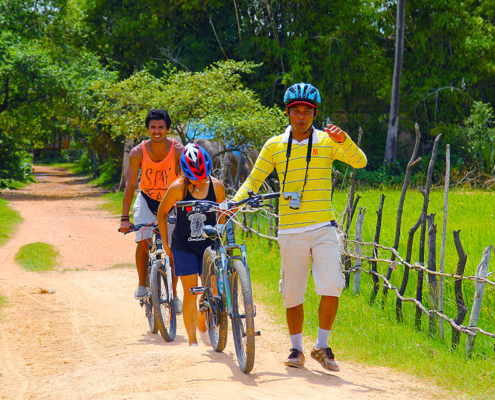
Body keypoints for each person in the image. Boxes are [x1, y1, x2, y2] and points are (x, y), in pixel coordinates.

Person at [232, 83, 367, 371]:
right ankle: (296, 349)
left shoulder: (328, 141)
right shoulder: (274, 145)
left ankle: (322, 345)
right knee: (293, 293)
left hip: (323, 226)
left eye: (307, 111)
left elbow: (361, 162)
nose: (301, 117)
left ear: (315, 113)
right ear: (288, 113)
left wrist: (344, 140)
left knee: (331, 285)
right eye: (296, 111)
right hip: (291, 229)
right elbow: (253, 182)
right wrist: (234, 203)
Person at [157, 143, 226, 347]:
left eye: (203, 175)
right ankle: (192, 341)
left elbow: (222, 213)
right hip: (184, 245)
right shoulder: (177, 187)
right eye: (195, 176)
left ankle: (204, 327)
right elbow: (162, 212)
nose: (200, 179)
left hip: (209, 245)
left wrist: (220, 234)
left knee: (211, 290)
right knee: (191, 291)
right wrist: (166, 242)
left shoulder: (217, 186)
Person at [119, 109, 183, 314]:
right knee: (143, 239)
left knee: (174, 247)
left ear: (167, 129)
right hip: (147, 199)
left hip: (171, 201)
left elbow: (184, 181)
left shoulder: (177, 150)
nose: (157, 131)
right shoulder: (138, 152)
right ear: (147, 129)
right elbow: (130, 185)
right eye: (153, 127)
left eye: (161, 127)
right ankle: (142, 284)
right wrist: (124, 218)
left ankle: (174, 294)